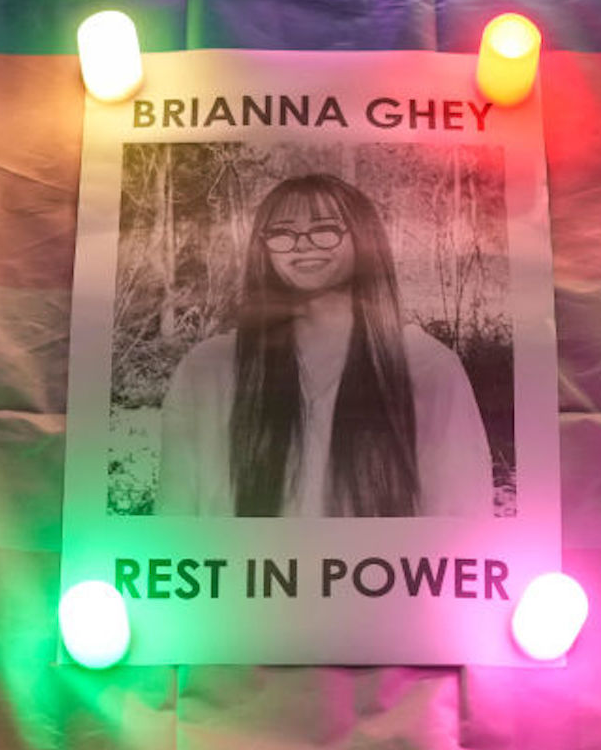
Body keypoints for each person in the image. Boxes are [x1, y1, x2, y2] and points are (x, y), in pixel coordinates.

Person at [155, 173, 495, 518]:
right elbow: (176, 511)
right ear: (264, 247)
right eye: (283, 233)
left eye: (325, 228)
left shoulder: (426, 365)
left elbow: (461, 514)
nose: (303, 243)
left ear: (364, 239)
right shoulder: (209, 367)